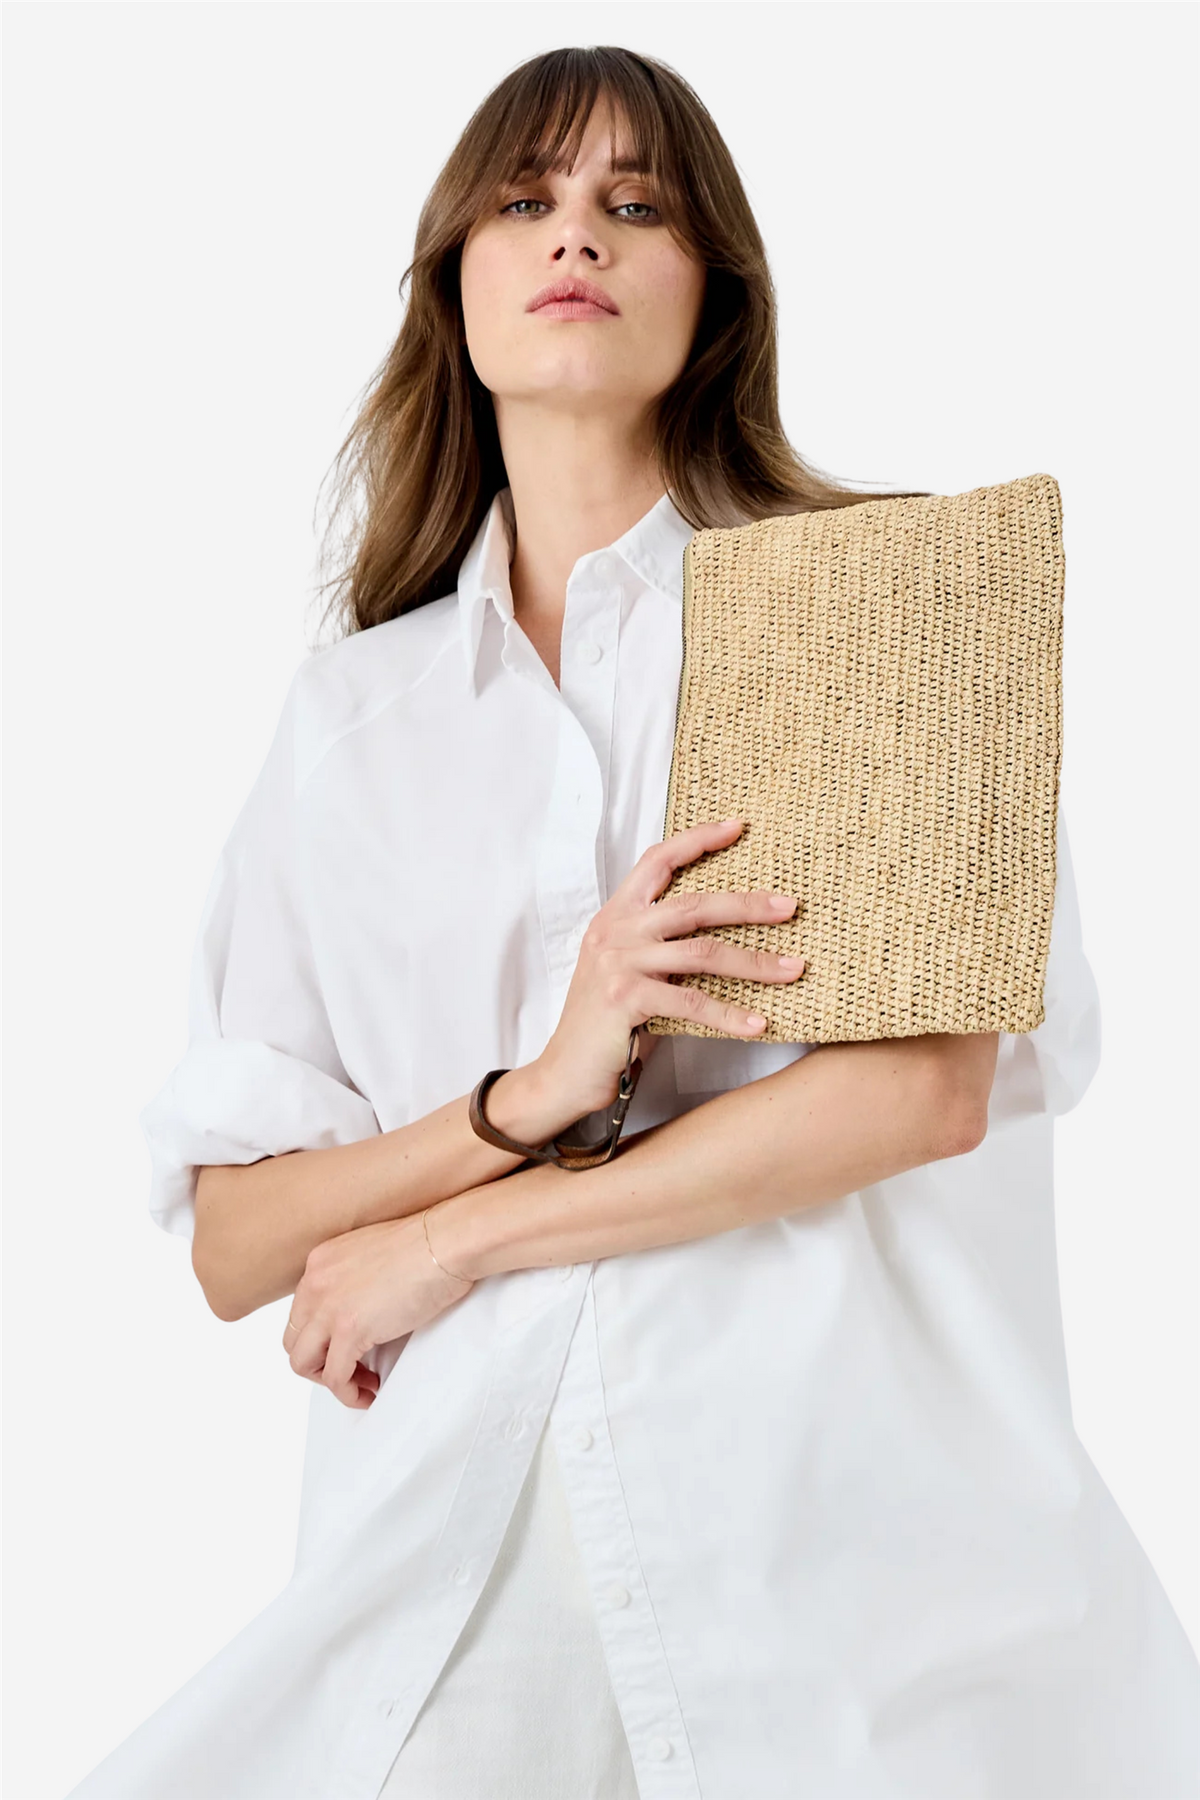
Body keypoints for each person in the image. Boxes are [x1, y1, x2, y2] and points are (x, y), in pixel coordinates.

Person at [68, 44, 1200, 1800]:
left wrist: (452, 1241)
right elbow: (238, 1245)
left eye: (634, 203)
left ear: (715, 289)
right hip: (453, 1584)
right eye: (523, 201)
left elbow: (921, 1092)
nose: (574, 235)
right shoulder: (351, 723)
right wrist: (527, 1095)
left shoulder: (877, 612)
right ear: (452, 287)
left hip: (844, 1571)